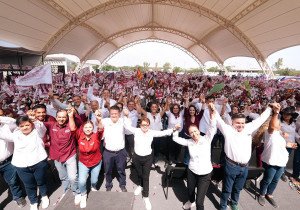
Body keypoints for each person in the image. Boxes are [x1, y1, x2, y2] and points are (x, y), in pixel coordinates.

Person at [216, 102, 279, 210]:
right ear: (232, 123)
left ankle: (234, 203)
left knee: (238, 188)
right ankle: (223, 206)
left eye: (242, 123)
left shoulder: (248, 128)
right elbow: (218, 119)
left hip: (244, 167)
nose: (240, 125)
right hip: (231, 166)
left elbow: (260, 119)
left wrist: (270, 108)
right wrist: (212, 108)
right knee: (227, 188)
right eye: (238, 123)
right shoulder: (227, 130)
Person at [125, 116, 176, 210]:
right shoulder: (136, 131)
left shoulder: (151, 132)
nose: (145, 126)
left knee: (146, 177)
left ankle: (146, 197)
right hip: (136, 157)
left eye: (147, 125)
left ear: (149, 125)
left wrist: (173, 129)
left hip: (148, 158)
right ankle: (140, 185)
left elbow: (163, 133)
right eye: (143, 124)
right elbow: (127, 126)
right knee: (139, 174)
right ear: (140, 125)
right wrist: (127, 116)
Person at [172, 103, 217, 210]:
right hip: (192, 171)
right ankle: (190, 201)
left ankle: (195, 203)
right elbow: (176, 139)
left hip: (205, 173)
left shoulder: (206, 139)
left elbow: (212, 127)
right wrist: (175, 130)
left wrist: (212, 114)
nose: (194, 134)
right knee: (190, 190)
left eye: (195, 131)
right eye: (191, 132)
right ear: (189, 134)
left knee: (200, 202)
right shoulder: (189, 141)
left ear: (198, 130)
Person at [0, 115, 49, 210]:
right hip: (21, 165)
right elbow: (9, 125)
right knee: (29, 185)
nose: (25, 128)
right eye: (21, 126)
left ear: (31, 124)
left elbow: (41, 127)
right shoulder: (15, 134)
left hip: (38, 163)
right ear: (18, 127)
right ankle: (33, 202)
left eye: (27, 125)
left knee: (41, 181)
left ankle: (44, 196)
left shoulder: (37, 132)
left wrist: (35, 120)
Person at [258, 103, 297, 208]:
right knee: (268, 179)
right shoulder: (270, 132)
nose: (278, 125)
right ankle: (261, 194)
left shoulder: (280, 134)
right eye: (277, 124)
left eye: (278, 124)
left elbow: (282, 145)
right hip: (272, 161)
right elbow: (272, 126)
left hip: (282, 162)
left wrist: (290, 144)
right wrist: (276, 113)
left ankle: (269, 194)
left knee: (275, 180)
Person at [43, 108, 82, 205]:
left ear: (67, 117)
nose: (61, 119)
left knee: (73, 177)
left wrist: (71, 115)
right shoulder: (51, 124)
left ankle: (76, 192)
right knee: (63, 177)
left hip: (70, 155)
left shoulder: (71, 124)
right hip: (57, 156)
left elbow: (78, 124)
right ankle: (66, 191)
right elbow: (38, 125)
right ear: (56, 117)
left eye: (64, 117)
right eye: (59, 117)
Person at [97, 105, 131, 192]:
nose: (114, 115)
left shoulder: (123, 121)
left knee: (121, 169)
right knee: (107, 170)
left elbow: (129, 129)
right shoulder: (105, 121)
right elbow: (99, 129)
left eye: (116, 113)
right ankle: (108, 184)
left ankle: (122, 184)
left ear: (119, 114)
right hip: (108, 152)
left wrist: (127, 116)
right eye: (112, 114)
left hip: (120, 151)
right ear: (109, 114)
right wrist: (99, 120)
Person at [76, 110, 104, 208]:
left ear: (93, 128)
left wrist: (99, 120)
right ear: (82, 128)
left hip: (96, 162)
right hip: (83, 162)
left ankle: (93, 187)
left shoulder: (96, 136)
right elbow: (73, 128)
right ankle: (83, 194)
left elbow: (100, 129)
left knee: (94, 181)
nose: (88, 129)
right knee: (82, 181)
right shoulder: (79, 136)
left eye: (90, 127)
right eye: (86, 127)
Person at [0, 116, 26, 208]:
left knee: (13, 181)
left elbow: (17, 122)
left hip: (7, 162)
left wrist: (1, 119)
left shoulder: (7, 126)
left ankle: (18, 197)